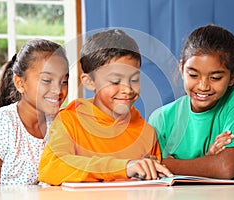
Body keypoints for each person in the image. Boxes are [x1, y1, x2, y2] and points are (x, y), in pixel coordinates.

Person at [38, 29, 173, 185]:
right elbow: (51, 167)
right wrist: (124, 167)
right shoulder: (69, 121)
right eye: (115, 81)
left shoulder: (147, 132)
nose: (127, 89)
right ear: (89, 81)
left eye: (134, 79)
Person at [148, 24, 234, 180]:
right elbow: (155, 173)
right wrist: (209, 160)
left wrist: (168, 163)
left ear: (233, 76)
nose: (203, 86)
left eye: (215, 78)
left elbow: (226, 168)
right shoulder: (161, 118)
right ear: (181, 69)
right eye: (193, 75)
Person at [0, 39, 69, 186]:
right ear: (20, 83)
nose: (58, 90)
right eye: (47, 80)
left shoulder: (61, 123)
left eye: (64, 81)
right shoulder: (1, 123)